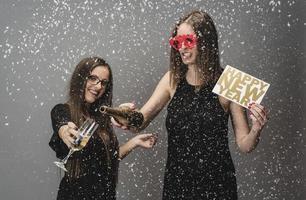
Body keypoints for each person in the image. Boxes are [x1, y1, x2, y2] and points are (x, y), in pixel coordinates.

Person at [113, 11, 269, 199]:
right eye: (177, 43)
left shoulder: (230, 81)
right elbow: (139, 120)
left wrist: (256, 129)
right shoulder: (172, 79)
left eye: (188, 41)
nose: (182, 49)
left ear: (206, 41)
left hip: (218, 186)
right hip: (177, 184)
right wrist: (121, 114)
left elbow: (245, 145)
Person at [49, 56, 156, 200]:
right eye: (93, 78)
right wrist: (63, 131)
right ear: (80, 78)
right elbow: (60, 121)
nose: (98, 86)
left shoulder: (101, 119)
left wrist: (134, 142)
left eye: (104, 83)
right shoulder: (63, 111)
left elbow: (107, 160)